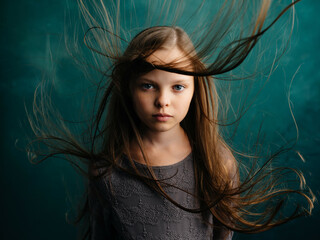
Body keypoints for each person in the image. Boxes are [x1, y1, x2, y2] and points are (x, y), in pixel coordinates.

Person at [26, 1, 315, 240]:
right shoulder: (106, 173)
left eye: (177, 87)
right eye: (148, 85)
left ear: (194, 90)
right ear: (128, 88)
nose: (163, 100)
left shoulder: (217, 164)